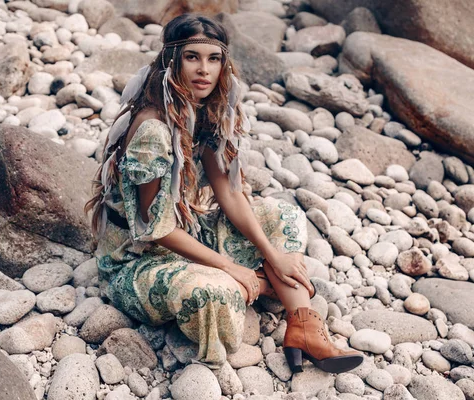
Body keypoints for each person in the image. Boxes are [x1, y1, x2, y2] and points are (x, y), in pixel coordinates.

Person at [85, 13, 363, 373]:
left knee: (284, 217)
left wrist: (271, 254)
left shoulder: (206, 115)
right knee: (215, 294)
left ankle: (304, 325)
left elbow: (230, 196)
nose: (204, 70)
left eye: (213, 59)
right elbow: (154, 229)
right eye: (192, 57)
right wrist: (232, 267)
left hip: (190, 231)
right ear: (172, 60)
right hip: (138, 260)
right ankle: (264, 287)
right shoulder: (153, 129)